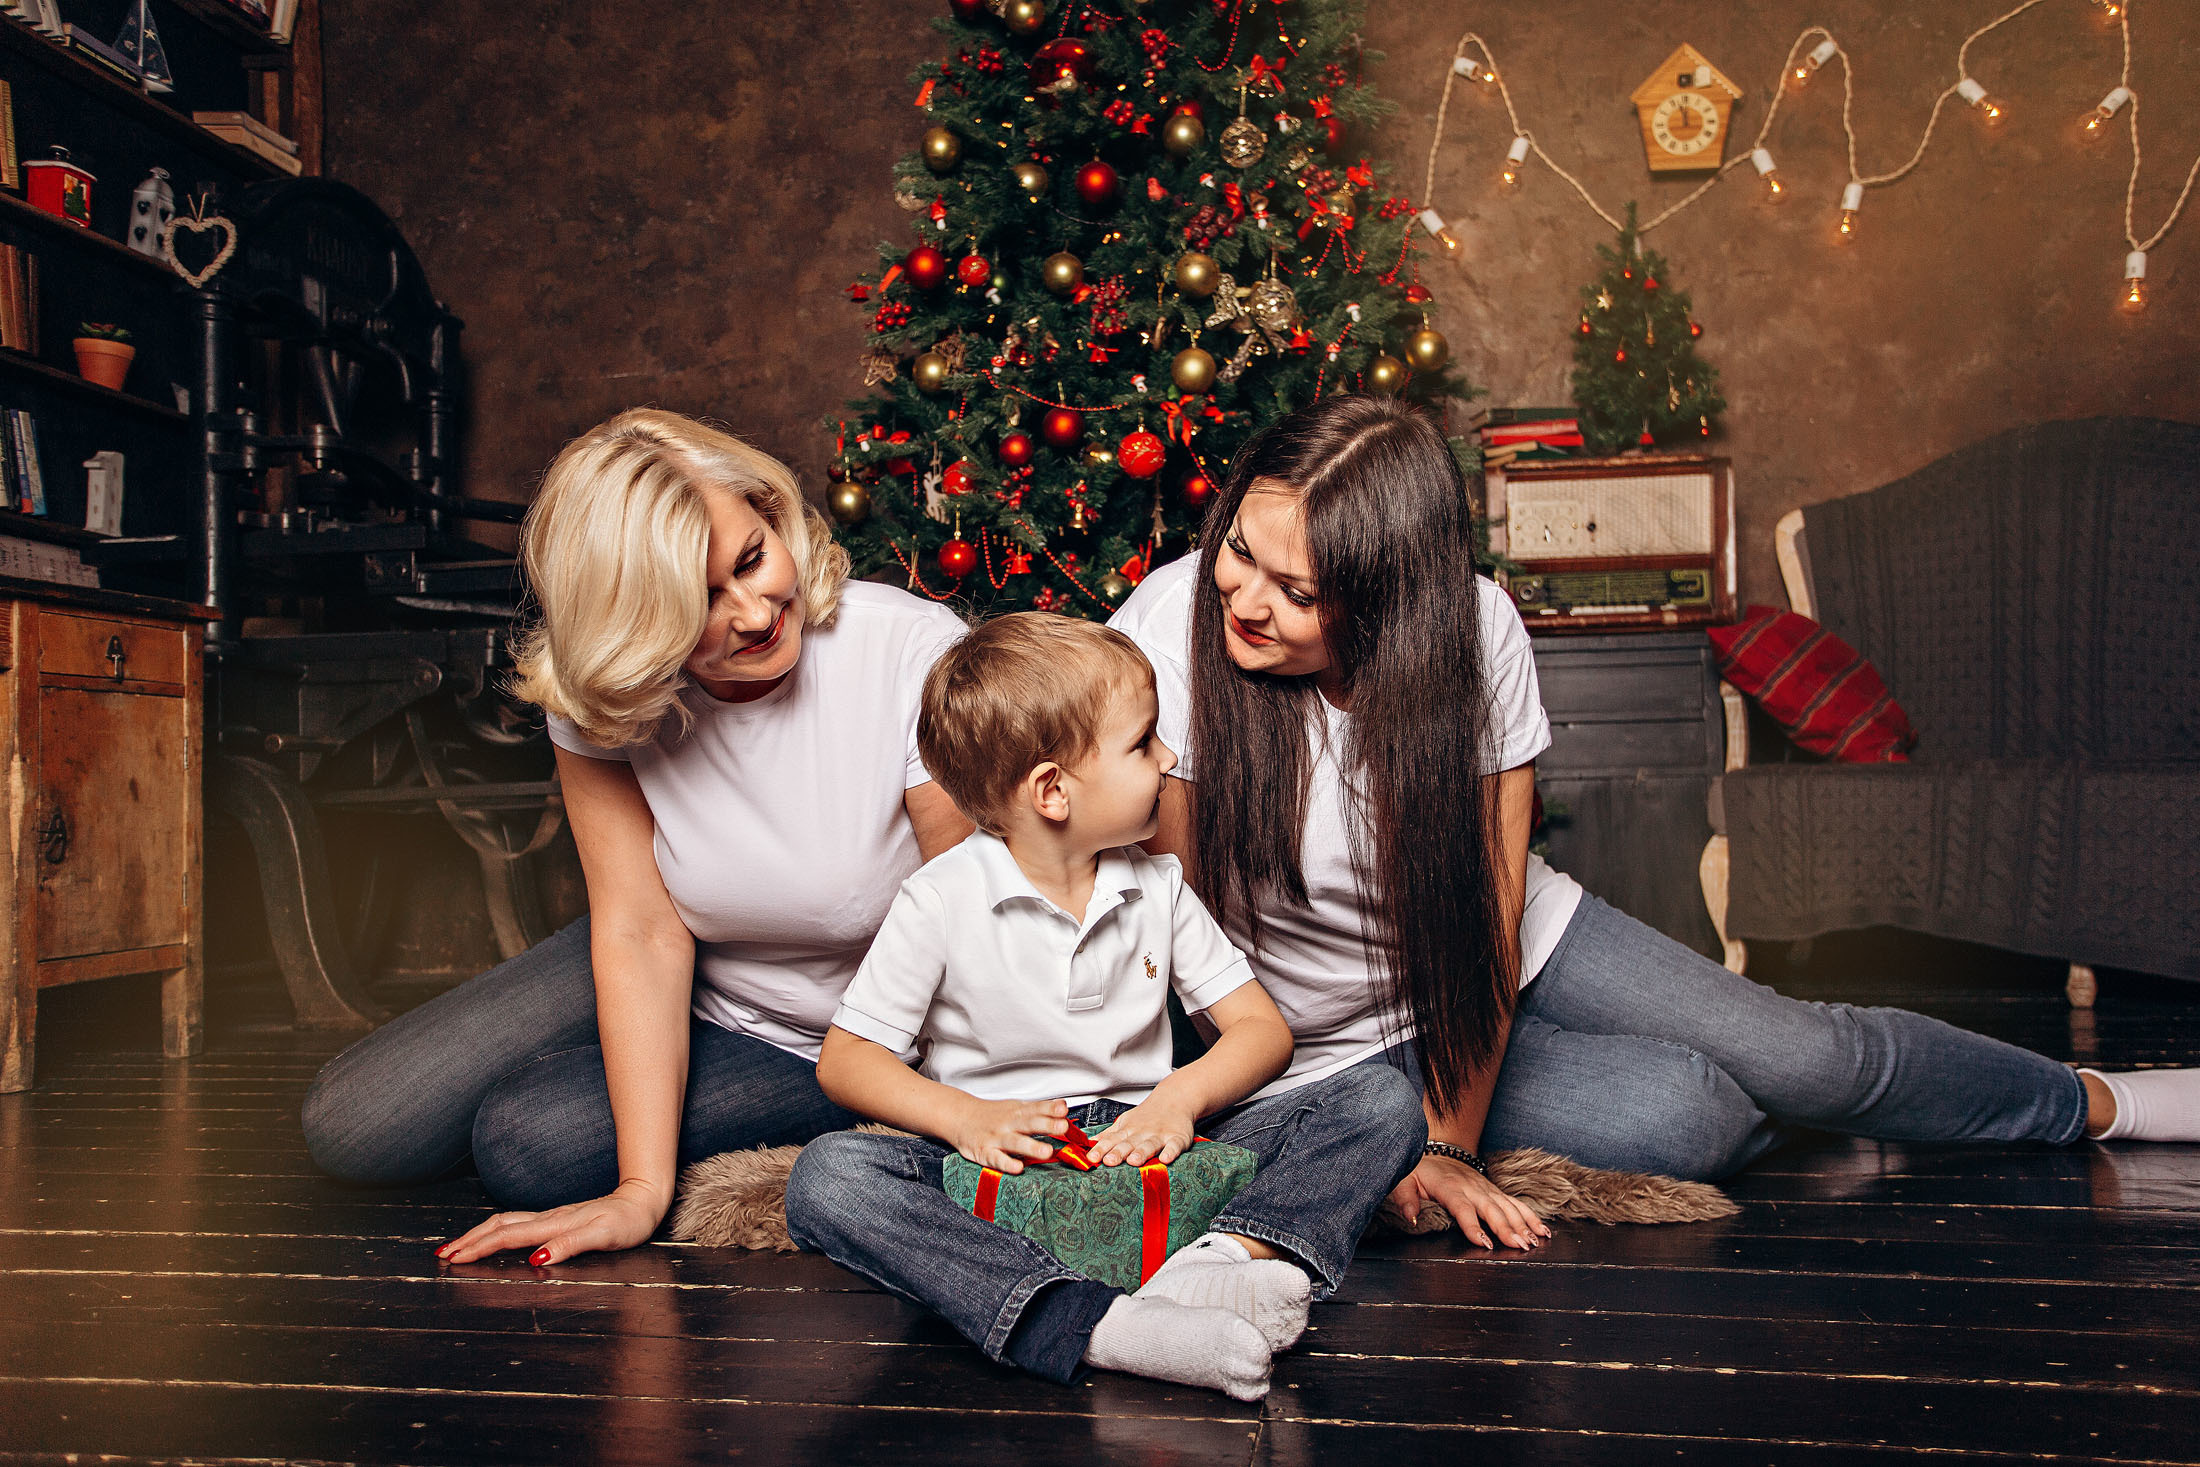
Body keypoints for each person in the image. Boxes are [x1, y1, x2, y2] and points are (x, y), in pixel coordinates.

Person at [1108, 393, 2200, 1252]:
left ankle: (2097, 1103)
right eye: (1239, 551)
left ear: (1393, 597)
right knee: (1684, 1120)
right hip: (1315, 1043)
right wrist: (1375, 1136)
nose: (1242, 599)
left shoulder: (1474, 629)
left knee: (1808, 1054)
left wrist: (1452, 1142)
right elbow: (1178, 946)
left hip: (1503, 957)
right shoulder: (1171, 633)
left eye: (1297, 591)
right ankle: (1846, 1112)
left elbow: (1489, 909)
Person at [299, 410, 972, 1267]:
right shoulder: (604, 693)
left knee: (527, 1142)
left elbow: (975, 923)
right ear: (635, 630)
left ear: (769, 512)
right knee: (351, 1123)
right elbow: (640, 925)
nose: (755, 612)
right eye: (699, 603)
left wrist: (932, 1099)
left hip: (841, 1034)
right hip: (690, 947)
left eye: (752, 559)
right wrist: (641, 1187)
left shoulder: (909, 653)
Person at [784, 614, 1428, 1399]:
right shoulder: (940, 897)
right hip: (1006, 1173)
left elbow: (1262, 1031)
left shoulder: (1158, 884)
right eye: (1143, 742)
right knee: (828, 1177)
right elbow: (846, 1060)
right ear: (1053, 789)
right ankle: (1093, 1324)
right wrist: (966, 1119)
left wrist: (1178, 1099)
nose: (1169, 757)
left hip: (1151, 1152)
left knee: (1382, 1098)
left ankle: (1220, 1263)